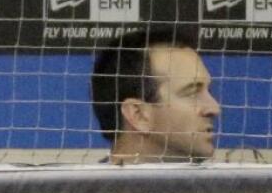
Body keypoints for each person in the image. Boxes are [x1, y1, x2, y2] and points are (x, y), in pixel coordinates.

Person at [90, 27, 220, 164]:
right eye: (192, 93)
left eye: (208, 91)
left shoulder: (230, 185)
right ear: (138, 114)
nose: (214, 108)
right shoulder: (81, 186)